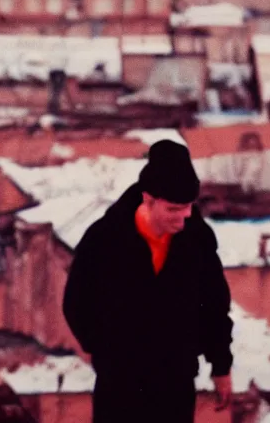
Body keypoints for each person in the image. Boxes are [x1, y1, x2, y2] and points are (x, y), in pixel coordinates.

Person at [62, 139, 233, 422]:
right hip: (119, 386)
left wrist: (221, 366)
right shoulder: (105, 239)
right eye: (174, 209)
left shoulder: (197, 240)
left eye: (188, 207)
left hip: (175, 385)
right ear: (148, 200)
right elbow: (77, 303)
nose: (184, 217)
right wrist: (106, 354)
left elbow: (214, 306)